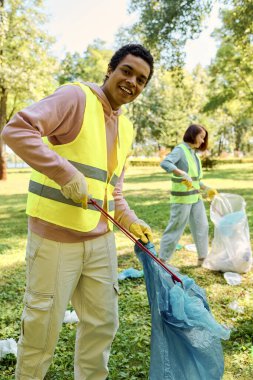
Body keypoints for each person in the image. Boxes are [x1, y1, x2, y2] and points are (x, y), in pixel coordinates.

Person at [2, 44, 154, 380]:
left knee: (102, 326)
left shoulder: (127, 130)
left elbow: (113, 190)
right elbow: (16, 130)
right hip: (54, 240)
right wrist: (65, 173)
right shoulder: (76, 98)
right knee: (41, 333)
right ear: (110, 70)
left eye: (141, 80)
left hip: (100, 243)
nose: (132, 82)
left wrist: (129, 219)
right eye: (126, 71)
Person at [159, 124, 217, 266]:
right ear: (192, 135)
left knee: (202, 226)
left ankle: (203, 258)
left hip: (195, 198)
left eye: (204, 138)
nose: (203, 141)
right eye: (201, 137)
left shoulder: (193, 153)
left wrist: (206, 188)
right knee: (175, 229)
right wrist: (181, 172)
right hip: (182, 199)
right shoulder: (180, 149)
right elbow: (165, 163)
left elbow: (194, 179)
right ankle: (162, 261)